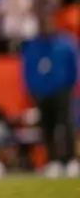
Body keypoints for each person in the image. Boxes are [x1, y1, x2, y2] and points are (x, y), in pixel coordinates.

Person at [21, 9, 79, 178]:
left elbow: (73, 67)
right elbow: (28, 70)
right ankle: (53, 161)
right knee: (47, 127)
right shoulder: (32, 46)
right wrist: (32, 90)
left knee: (67, 125)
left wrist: (71, 86)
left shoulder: (66, 43)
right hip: (42, 93)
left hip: (63, 90)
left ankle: (71, 161)